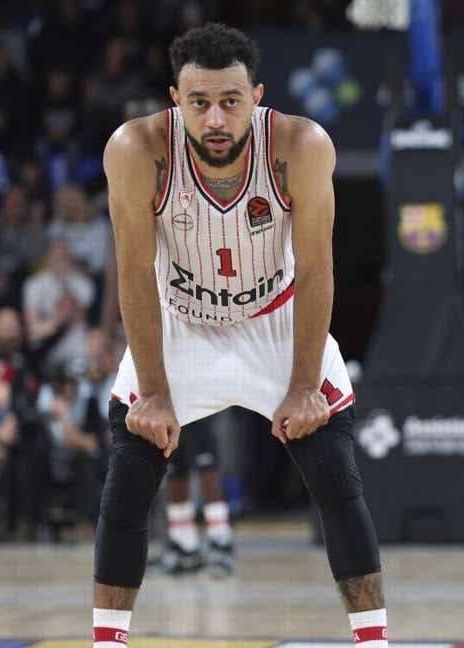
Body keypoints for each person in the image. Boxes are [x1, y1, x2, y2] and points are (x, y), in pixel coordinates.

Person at [92, 24, 385, 648]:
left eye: (230, 101)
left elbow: (316, 270)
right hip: (180, 322)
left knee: (336, 475)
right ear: (176, 100)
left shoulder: (301, 145)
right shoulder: (135, 148)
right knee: (128, 478)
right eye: (199, 103)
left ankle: (373, 642)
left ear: (257, 95)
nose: (216, 118)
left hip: (277, 322)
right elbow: (134, 275)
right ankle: (107, 641)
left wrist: (306, 385)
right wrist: (154, 390)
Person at [157, 411, 236, 578]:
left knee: (206, 461)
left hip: (199, 400)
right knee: (174, 464)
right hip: (171, 404)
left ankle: (220, 540)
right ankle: (185, 544)